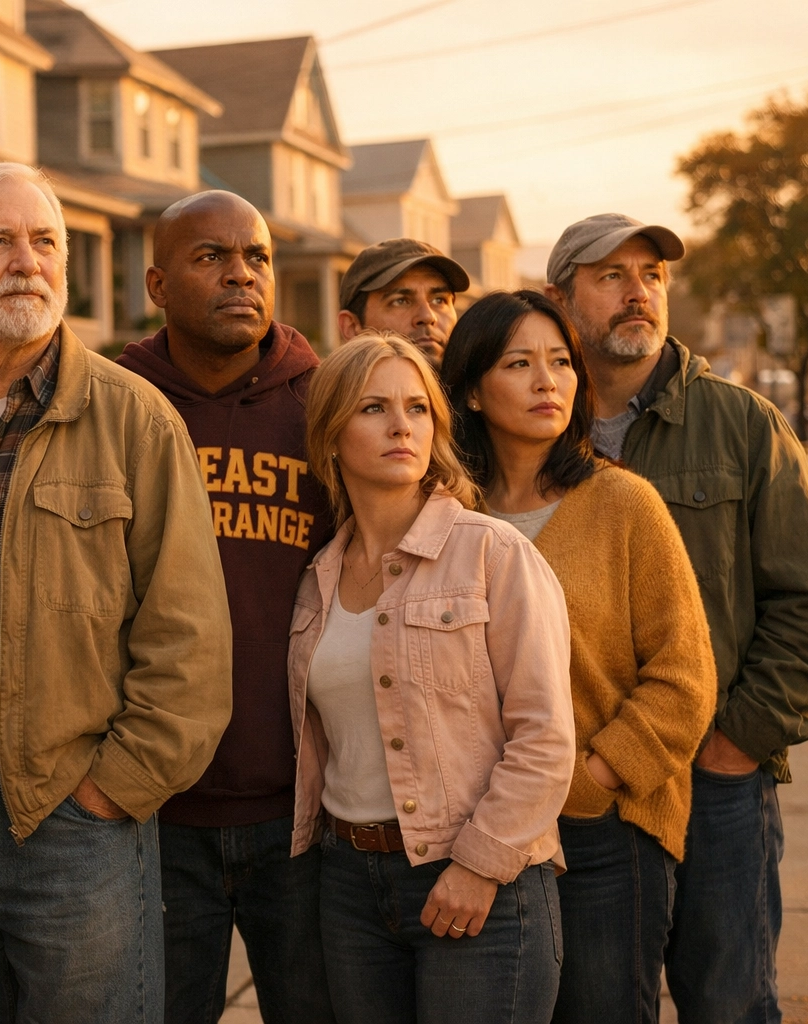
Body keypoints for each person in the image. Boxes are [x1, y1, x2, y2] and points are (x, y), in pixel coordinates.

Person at [0, 162, 233, 1024]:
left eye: (45, 242)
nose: (28, 261)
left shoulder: (135, 420)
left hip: (71, 822)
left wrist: (108, 793)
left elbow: (191, 642)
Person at [545, 214, 808, 1022]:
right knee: (597, 1005)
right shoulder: (532, 432)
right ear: (559, 298)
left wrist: (735, 743)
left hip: (717, 781)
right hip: (586, 789)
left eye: (652, 274)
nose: (638, 291)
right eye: (611, 276)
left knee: (729, 1004)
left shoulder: (743, 423)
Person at [440, 289, 717, 1024]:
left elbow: (684, 680)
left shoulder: (624, 504)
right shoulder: (446, 520)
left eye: (561, 362)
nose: (548, 381)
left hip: (602, 839)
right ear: (471, 389)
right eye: (520, 363)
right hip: (474, 838)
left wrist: (588, 783)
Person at [289, 329, 575, 1024]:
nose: (401, 426)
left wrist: (477, 866)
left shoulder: (491, 552)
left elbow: (544, 737)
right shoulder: (316, 580)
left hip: (484, 880)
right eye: (374, 409)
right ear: (331, 435)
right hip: (352, 886)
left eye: (418, 409)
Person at [117, 190, 335, 1024]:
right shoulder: (117, 403)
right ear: (158, 283)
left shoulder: (322, 405)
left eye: (257, 257)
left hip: (304, 809)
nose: (242, 274)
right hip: (159, 812)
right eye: (211, 257)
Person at [336, 238, 470, 367]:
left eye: (439, 300)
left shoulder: (484, 388)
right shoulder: (323, 390)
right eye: (400, 301)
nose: (428, 317)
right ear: (351, 327)